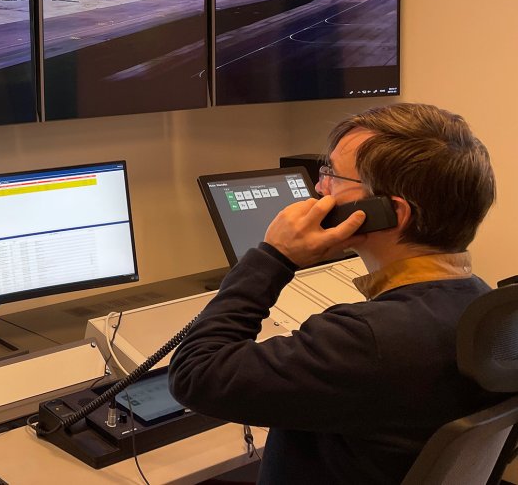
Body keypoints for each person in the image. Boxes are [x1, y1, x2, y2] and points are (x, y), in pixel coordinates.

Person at [168, 103, 500, 484]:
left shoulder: (367, 340)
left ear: (389, 212)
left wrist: (274, 255)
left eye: (333, 176)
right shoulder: (485, 308)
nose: (318, 188)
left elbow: (195, 374)